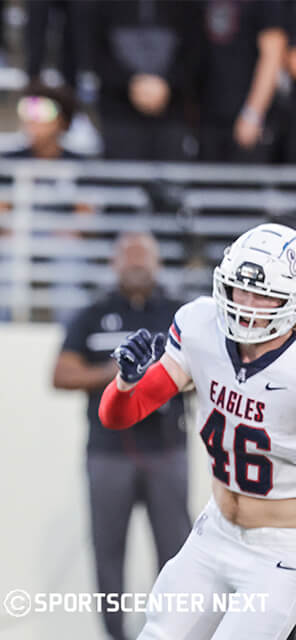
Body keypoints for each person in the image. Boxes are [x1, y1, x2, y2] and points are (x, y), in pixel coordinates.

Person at [100, 222, 296, 638]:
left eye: (262, 292)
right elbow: (118, 415)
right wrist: (124, 383)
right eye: (239, 288)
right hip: (216, 533)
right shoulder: (200, 325)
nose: (247, 303)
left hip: (282, 552)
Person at [54, 232, 190, 640]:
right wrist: (121, 378)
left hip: (167, 448)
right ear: (114, 264)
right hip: (109, 452)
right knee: (108, 550)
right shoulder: (93, 314)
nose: (135, 265)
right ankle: (115, 634)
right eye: (128, 257)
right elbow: (61, 374)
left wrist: (158, 382)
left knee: (178, 551)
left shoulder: (178, 314)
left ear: (157, 263)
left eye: (143, 258)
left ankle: (173, 630)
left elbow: (204, 370)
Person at [89, 0, 203, 161]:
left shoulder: (186, 6)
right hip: (118, 113)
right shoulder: (103, 6)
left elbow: (196, 48)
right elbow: (92, 48)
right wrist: (132, 84)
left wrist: (167, 84)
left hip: (173, 113)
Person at [198, 0, 287, 163]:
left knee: (245, 185)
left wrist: (253, 113)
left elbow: (273, 55)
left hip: (248, 120)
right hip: (207, 119)